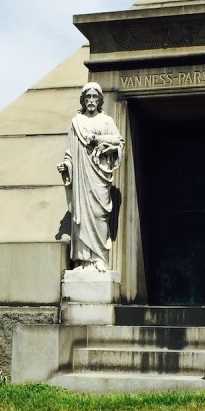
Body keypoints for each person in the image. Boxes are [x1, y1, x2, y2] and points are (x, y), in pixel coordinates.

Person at [57, 83, 124, 272]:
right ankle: (83, 261)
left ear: (100, 99)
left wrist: (100, 141)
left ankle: (99, 258)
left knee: (99, 215)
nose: (92, 101)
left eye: (95, 97)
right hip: (80, 177)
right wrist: (66, 166)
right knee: (81, 216)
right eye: (88, 97)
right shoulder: (76, 123)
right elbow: (70, 152)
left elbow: (119, 141)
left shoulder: (106, 121)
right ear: (83, 100)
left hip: (99, 176)